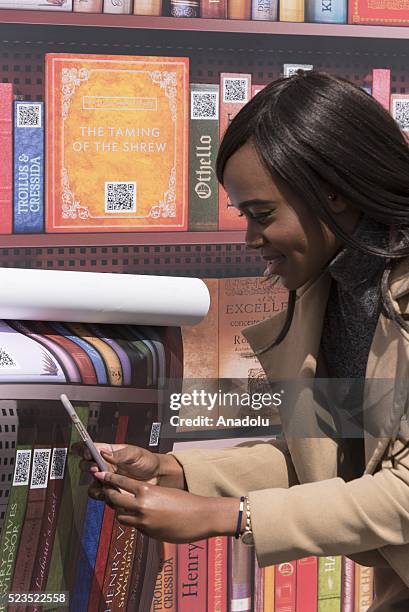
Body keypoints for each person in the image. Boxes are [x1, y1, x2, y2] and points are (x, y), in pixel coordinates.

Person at [76, 71, 409, 610]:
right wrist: (177, 472)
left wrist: (226, 517)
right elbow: (323, 460)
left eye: (262, 215)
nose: (251, 239)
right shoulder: (332, 293)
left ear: (335, 193)